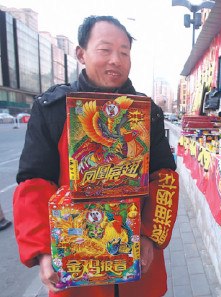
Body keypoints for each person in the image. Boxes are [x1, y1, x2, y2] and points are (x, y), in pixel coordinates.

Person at [13, 16, 178, 297]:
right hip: (77, 263)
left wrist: (150, 235)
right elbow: (35, 182)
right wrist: (42, 251)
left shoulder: (146, 113)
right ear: (81, 53)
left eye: (124, 52)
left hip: (137, 263)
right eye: (105, 50)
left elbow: (163, 178)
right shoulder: (53, 109)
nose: (116, 59)